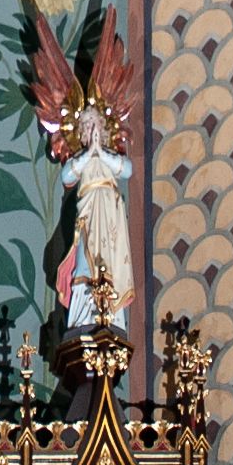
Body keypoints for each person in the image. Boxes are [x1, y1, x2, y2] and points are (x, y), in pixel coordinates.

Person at [58, 101, 135, 329]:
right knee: (85, 262)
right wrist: (89, 154)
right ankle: (83, 318)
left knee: (110, 264)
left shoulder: (110, 156)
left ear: (103, 128)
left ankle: (111, 316)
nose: (91, 129)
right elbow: (66, 176)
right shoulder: (79, 160)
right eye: (86, 125)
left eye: (95, 124)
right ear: (82, 134)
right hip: (88, 216)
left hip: (110, 218)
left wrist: (100, 153)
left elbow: (127, 170)